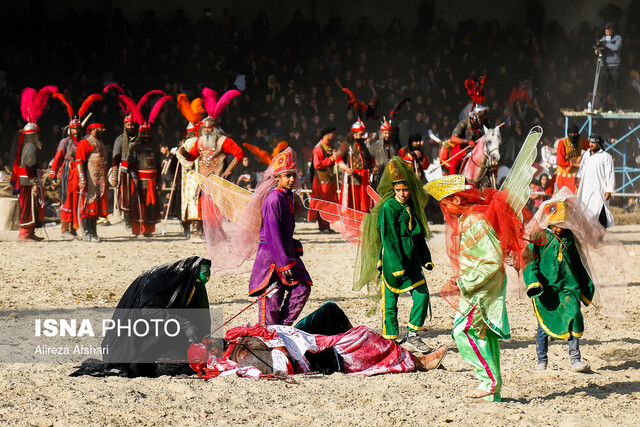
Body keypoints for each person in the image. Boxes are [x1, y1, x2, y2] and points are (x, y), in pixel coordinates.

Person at [424, 174, 527, 402]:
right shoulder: (468, 219)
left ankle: (489, 382)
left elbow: (491, 259)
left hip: (481, 289)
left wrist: (464, 282)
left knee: (463, 331)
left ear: (459, 200)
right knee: (484, 333)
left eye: (447, 203)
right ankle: (492, 391)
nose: (446, 210)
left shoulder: (475, 221)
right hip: (478, 286)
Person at [188, 302, 448, 378]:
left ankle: (395, 351)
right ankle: (419, 362)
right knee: (365, 335)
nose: (214, 339)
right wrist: (274, 340)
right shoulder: (241, 357)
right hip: (311, 355)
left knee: (330, 311)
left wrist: (259, 331)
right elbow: (279, 367)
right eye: (209, 343)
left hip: (299, 337)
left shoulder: (234, 341)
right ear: (211, 354)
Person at [356, 158, 434, 352]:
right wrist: (397, 266)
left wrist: (426, 259)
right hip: (393, 263)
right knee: (390, 303)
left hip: (412, 262)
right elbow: (389, 239)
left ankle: (413, 335)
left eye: (405, 190)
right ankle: (390, 341)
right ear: (393, 189)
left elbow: (418, 237)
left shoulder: (412, 206)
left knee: (422, 295)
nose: (402, 194)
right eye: (398, 190)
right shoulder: (388, 208)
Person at [96, 256, 212, 378]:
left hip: (163, 334)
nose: (195, 286)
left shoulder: (187, 281)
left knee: (186, 363)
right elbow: (148, 311)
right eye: (195, 282)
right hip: (137, 335)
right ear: (191, 275)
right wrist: (184, 324)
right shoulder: (163, 280)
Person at [524, 198, 594, 373]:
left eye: (563, 223)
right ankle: (542, 360)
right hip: (546, 289)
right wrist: (534, 281)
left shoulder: (569, 237)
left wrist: (586, 284)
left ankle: (575, 359)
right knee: (544, 325)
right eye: (556, 224)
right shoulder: (539, 235)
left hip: (568, 286)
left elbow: (577, 263)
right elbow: (529, 260)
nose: (559, 227)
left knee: (574, 316)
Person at [249, 148, 312, 325]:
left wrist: (293, 245)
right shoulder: (274, 199)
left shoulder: (288, 196)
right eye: (287, 176)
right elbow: (272, 235)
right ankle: (270, 335)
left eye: (294, 175)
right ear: (277, 177)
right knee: (272, 303)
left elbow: (284, 232)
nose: (292, 179)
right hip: (271, 257)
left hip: (285, 251)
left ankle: (282, 329)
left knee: (302, 287)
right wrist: (283, 263)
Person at [176, 114, 244, 241]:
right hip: (203, 181)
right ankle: (207, 232)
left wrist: (228, 171)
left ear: (215, 129)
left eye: (210, 128)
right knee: (205, 208)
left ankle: (217, 232)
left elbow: (239, 154)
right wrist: (184, 153)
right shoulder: (200, 141)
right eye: (205, 129)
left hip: (217, 180)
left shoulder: (224, 141)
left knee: (216, 208)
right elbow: (192, 157)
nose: (207, 131)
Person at [50, 92, 102, 239]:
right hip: (67, 173)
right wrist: (53, 175)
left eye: (78, 129)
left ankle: (73, 229)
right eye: (73, 129)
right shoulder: (64, 142)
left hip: (80, 174)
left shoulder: (84, 141)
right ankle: (65, 229)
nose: (76, 131)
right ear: (69, 129)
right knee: (66, 199)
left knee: (77, 201)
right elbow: (57, 159)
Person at [75, 119, 109, 242]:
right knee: (87, 206)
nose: (104, 130)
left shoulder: (100, 142)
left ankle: (94, 233)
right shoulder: (85, 142)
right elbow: (79, 161)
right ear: (94, 129)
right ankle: (87, 233)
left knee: (95, 208)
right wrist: (82, 179)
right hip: (89, 180)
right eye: (101, 128)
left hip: (99, 180)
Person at [128, 123, 162, 238]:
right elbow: (131, 165)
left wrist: (160, 180)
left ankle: (149, 230)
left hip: (152, 181)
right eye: (144, 133)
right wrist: (134, 177)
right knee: (140, 206)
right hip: (141, 180)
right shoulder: (135, 148)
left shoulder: (155, 147)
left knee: (151, 206)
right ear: (140, 134)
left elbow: (158, 165)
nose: (146, 135)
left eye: (148, 133)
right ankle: (139, 230)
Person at [336, 119, 376, 212]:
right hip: (351, 178)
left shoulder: (363, 146)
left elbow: (370, 160)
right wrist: (346, 169)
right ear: (354, 134)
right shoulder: (345, 145)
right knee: (352, 201)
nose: (363, 136)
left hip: (363, 178)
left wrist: (373, 167)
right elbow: (338, 160)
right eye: (361, 134)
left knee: (364, 202)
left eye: (363, 134)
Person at [576, 135, 616, 228]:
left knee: (600, 210)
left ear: (598, 143)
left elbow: (610, 174)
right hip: (585, 189)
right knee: (585, 210)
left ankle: (600, 235)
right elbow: (581, 169)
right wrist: (578, 178)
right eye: (590, 142)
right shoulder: (586, 155)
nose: (591, 144)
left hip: (599, 189)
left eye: (593, 142)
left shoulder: (606, 157)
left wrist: (609, 189)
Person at [307, 126, 338, 233]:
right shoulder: (318, 148)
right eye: (332, 133)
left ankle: (327, 225)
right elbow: (317, 164)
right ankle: (323, 226)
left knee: (329, 203)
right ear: (327, 134)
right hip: (321, 181)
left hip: (329, 180)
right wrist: (332, 159)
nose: (334, 135)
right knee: (323, 203)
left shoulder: (330, 146)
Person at [109, 113, 138, 230]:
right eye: (128, 125)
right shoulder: (119, 140)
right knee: (126, 198)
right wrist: (114, 177)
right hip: (125, 172)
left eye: (132, 125)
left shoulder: (140, 138)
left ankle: (137, 221)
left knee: (138, 197)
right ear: (124, 125)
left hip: (139, 171)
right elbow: (115, 160)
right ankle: (127, 222)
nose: (130, 127)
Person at [449, 105, 490, 175]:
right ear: (476, 117)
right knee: (455, 162)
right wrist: (467, 141)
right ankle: (452, 181)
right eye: (483, 115)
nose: (486, 117)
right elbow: (453, 138)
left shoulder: (484, 123)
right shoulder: (463, 123)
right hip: (463, 149)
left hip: (478, 148)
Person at [554, 124, 589, 193]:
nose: (572, 136)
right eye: (571, 135)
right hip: (564, 171)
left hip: (576, 172)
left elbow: (590, 150)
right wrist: (575, 164)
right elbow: (560, 161)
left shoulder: (581, 141)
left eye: (574, 135)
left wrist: (582, 156)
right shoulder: (563, 142)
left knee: (575, 194)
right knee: (560, 195)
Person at [595, 22, 622, 111]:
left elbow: (616, 47)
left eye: (610, 32)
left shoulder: (618, 38)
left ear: (613, 31)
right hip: (605, 65)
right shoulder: (603, 38)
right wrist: (598, 48)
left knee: (615, 88)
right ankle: (603, 107)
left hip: (614, 66)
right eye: (606, 32)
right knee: (603, 88)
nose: (608, 34)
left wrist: (605, 44)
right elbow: (600, 47)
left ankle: (618, 107)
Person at [368, 119, 398, 185]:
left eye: (389, 133)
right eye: (385, 133)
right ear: (381, 134)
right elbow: (369, 160)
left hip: (392, 175)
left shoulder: (394, 147)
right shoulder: (374, 147)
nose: (387, 135)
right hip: (379, 176)